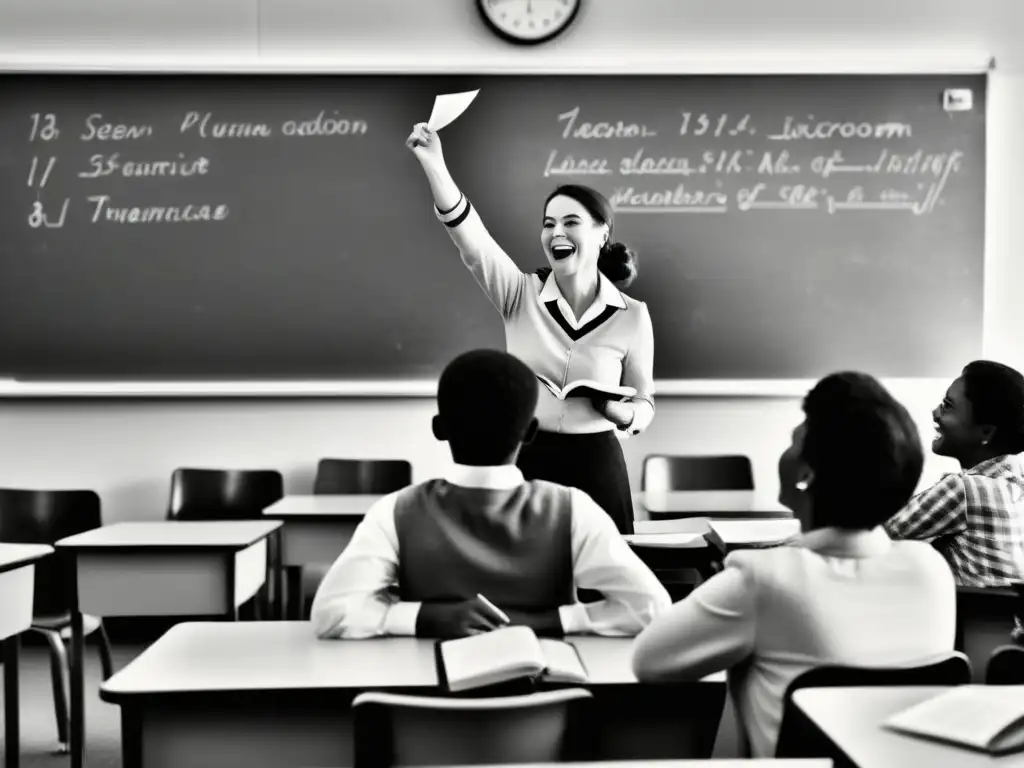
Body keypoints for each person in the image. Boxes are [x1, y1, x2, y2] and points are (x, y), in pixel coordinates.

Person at [630, 372, 956, 758]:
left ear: (805, 475)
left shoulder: (764, 579)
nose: (786, 450)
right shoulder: (932, 570)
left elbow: (649, 662)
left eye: (794, 440)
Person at [310, 348, 670, 640]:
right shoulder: (572, 509)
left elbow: (331, 613)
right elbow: (652, 610)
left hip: (429, 711)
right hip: (552, 708)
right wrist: (543, 622)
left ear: (439, 429)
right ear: (530, 432)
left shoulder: (395, 511)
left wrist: (422, 618)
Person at [405, 122, 655, 535]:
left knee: (601, 580)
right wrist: (435, 164)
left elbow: (644, 402)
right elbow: (471, 239)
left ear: (601, 233)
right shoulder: (519, 293)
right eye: (548, 223)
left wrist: (619, 411)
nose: (556, 232)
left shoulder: (632, 314)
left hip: (598, 461)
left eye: (571, 222)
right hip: (530, 457)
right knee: (528, 578)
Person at [884, 360, 1024, 587]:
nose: (935, 412)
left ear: (986, 431)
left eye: (947, 405)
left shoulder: (964, 491)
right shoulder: (1014, 488)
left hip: (972, 620)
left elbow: (876, 536)